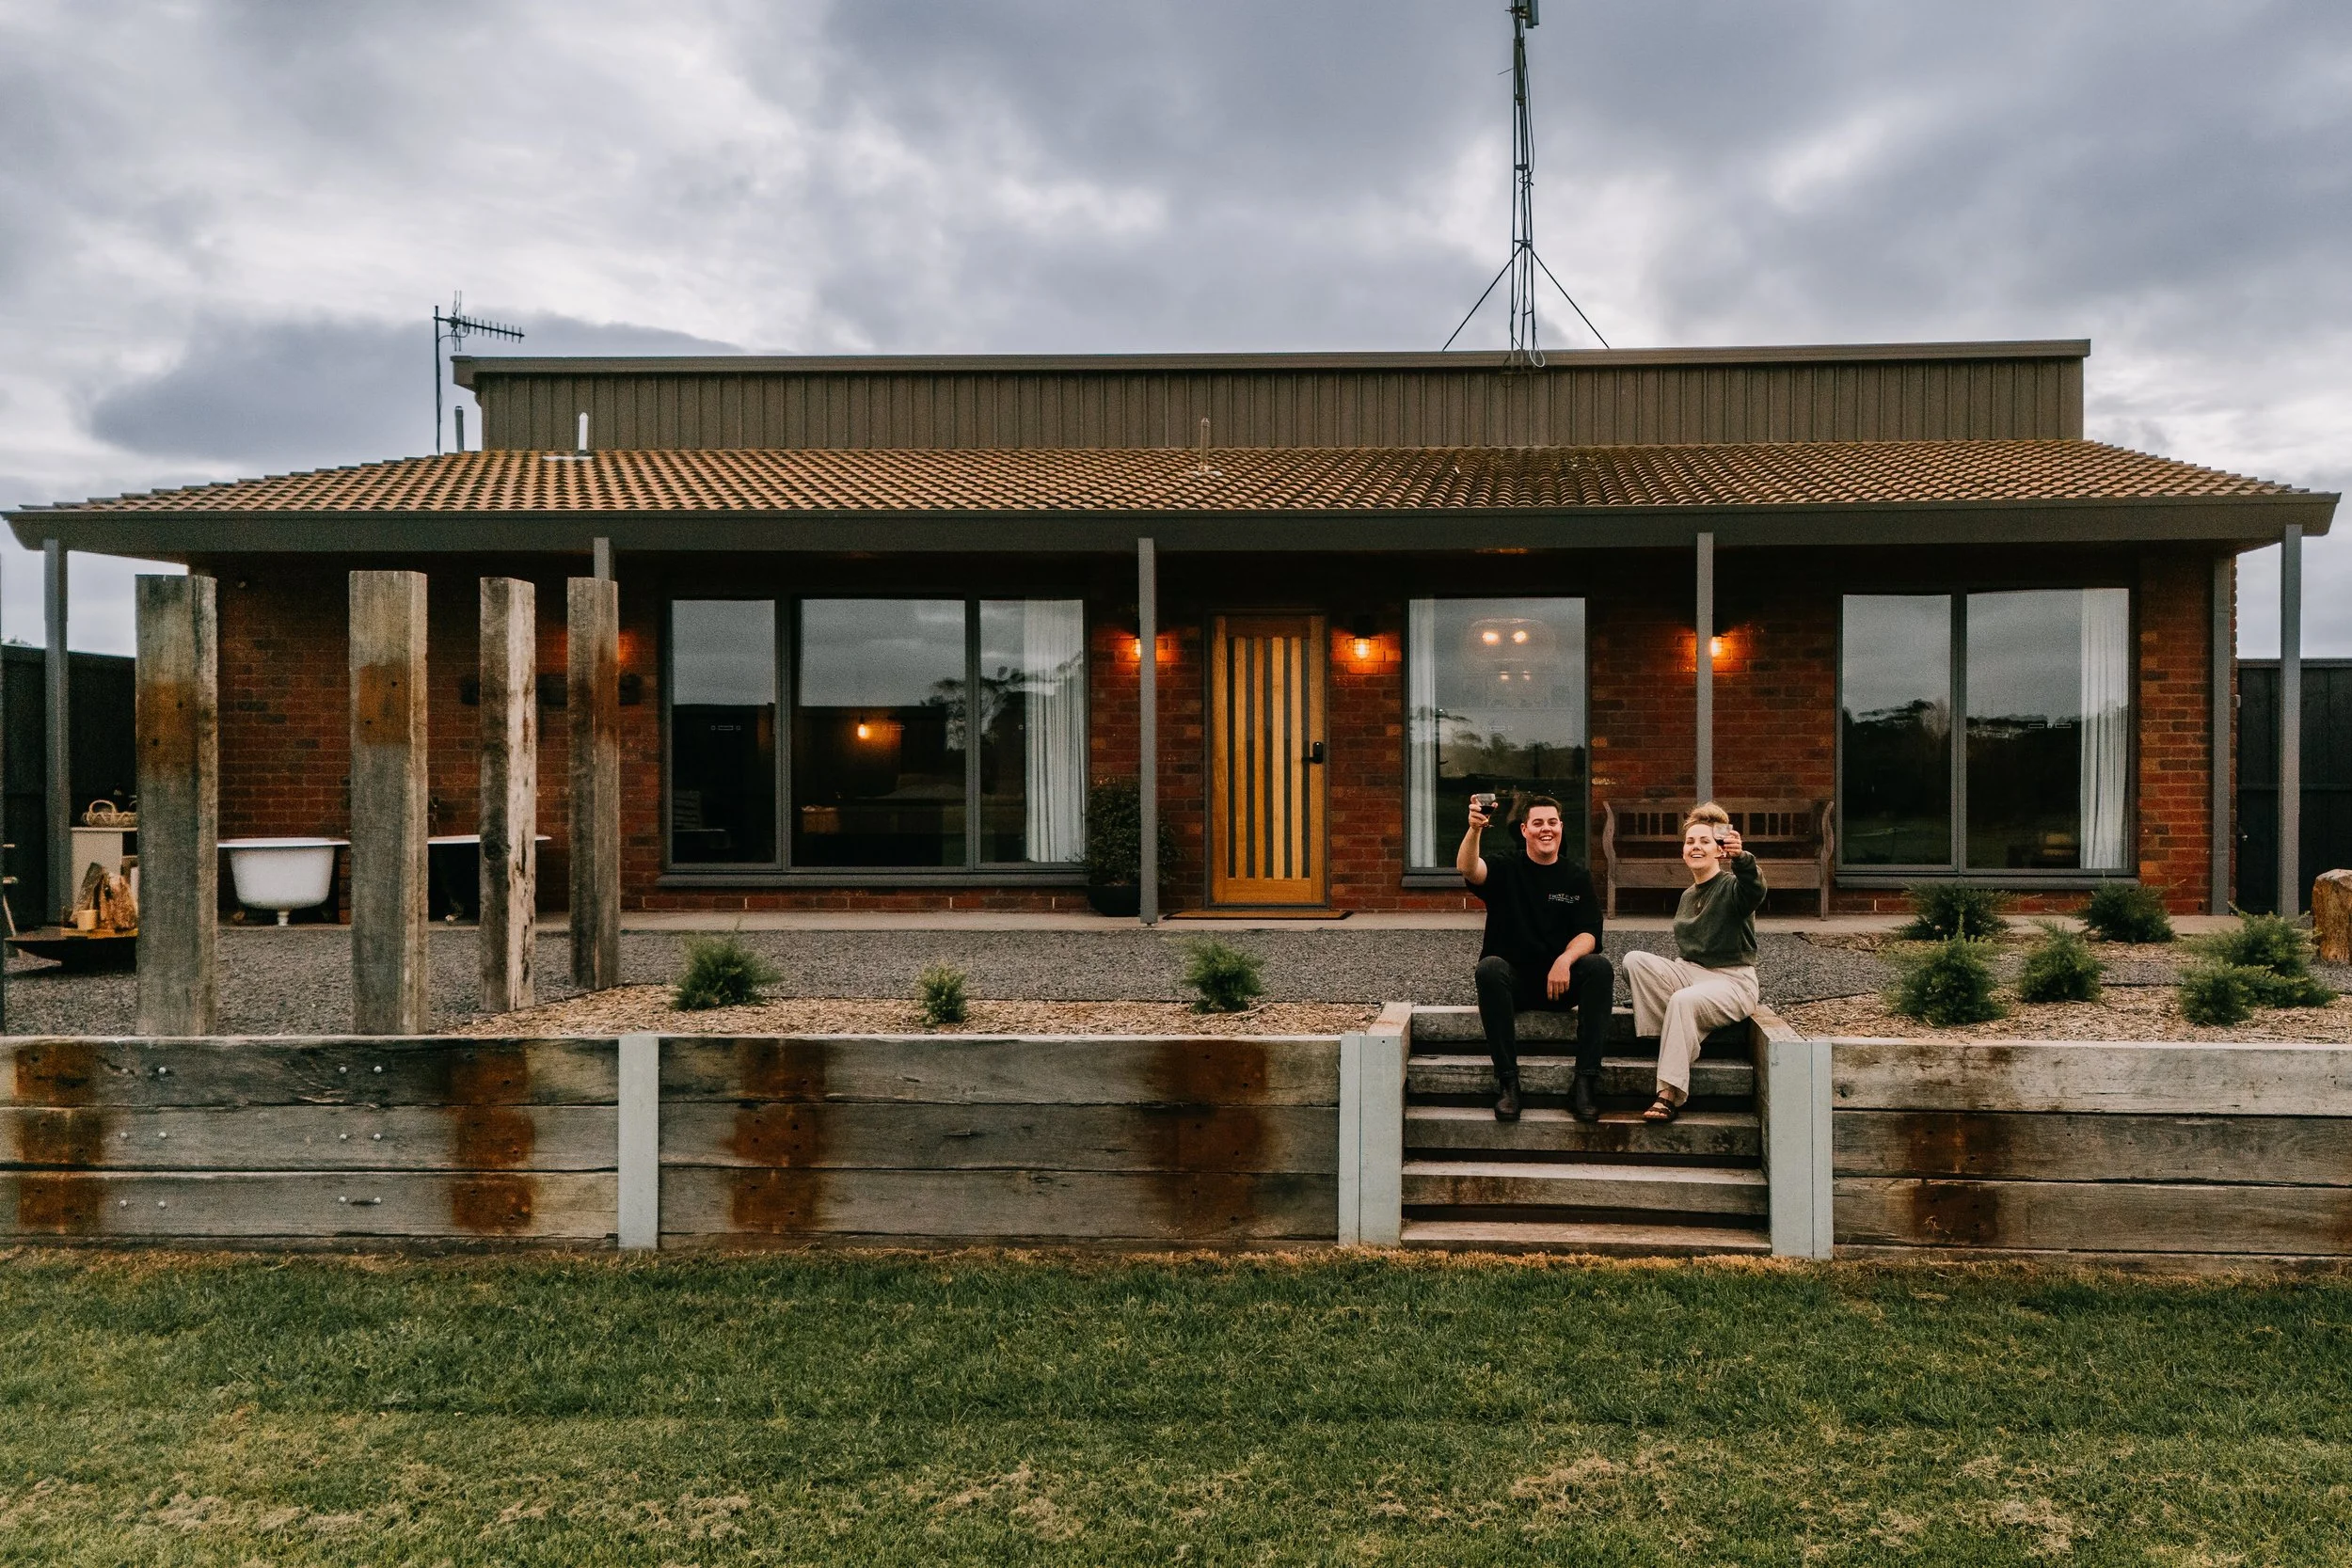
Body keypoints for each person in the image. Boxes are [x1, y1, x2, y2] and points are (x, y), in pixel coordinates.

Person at [1457, 793, 1613, 1122]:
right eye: (1538, 823)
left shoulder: (1575, 875)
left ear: (1561, 827)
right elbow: (1470, 869)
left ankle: (1584, 1083)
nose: (1546, 829)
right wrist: (1475, 830)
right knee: (1489, 969)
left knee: (1599, 967)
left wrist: (1565, 960)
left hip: (1560, 985)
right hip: (1515, 988)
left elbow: (1589, 933)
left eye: (1552, 823)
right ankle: (1509, 1085)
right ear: (1525, 829)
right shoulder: (1507, 867)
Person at [1623, 802, 1765, 1123]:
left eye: (1704, 841)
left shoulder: (1733, 886)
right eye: (1690, 841)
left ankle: (1669, 1092)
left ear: (1719, 850)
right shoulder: (1688, 895)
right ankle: (1673, 1039)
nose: (1696, 847)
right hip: (1692, 973)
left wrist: (1742, 859)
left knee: (1682, 1001)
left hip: (1733, 982)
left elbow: (1754, 888)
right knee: (1635, 961)